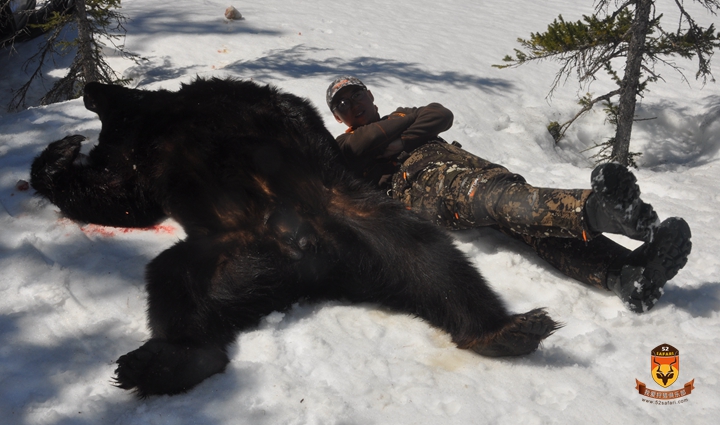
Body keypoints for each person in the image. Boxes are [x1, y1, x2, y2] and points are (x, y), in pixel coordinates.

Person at [325, 75, 692, 313]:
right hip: (427, 187)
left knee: (533, 227)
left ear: (369, 93)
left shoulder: (400, 116)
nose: (352, 104)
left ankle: (627, 277)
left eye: (355, 94)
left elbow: (439, 114)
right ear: (340, 120)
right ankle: (608, 213)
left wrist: (401, 135)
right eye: (342, 105)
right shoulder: (343, 145)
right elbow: (361, 146)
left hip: (475, 170)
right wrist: (404, 124)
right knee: (497, 199)